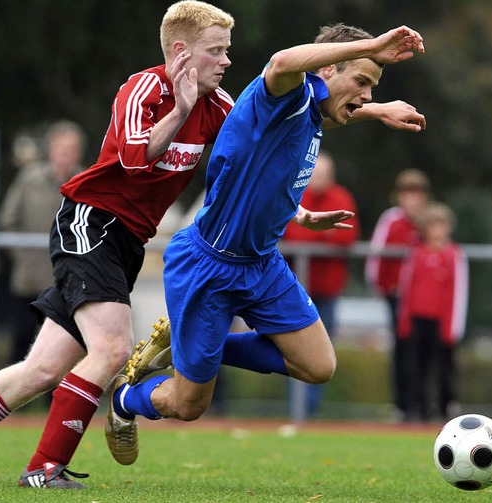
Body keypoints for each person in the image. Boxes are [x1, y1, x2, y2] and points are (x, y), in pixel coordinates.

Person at [0, 0, 234, 488]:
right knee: (113, 350)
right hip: (90, 222)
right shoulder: (144, 88)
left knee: (42, 369)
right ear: (180, 52)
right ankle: (45, 468)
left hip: (127, 241)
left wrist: (297, 207)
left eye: (227, 50)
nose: (225, 61)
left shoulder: (221, 106)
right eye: (215, 50)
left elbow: (243, 168)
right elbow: (136, 160)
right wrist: (180, 109)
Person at [105, 22, 426, 465]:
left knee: (318, 367)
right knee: (188, 405)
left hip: (261, 264)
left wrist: (304, 213)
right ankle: (127, 401)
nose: (367, 94)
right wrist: (374, 45)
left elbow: (280, 160)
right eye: (363, 82)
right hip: (208, 263)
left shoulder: (308, 111)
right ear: (328, 69)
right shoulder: (280, 92)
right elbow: (280, 63)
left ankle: (182, 348)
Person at [0, 121, 86, 365]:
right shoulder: (29, 179)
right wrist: (23, 255)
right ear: (51, 150)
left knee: (62, 346)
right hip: (28, 278)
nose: (64, 155)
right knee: (22, 338)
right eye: (60, 149)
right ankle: (15, 401)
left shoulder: (87, 181)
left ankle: (53, 401)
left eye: (70, 150)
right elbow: (8, 220)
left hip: (68, 280)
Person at [282, 150, 359, 416]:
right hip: (296, 290)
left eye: (325, 173)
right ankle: (296, 410)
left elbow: (347, 237)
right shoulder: (297, 194)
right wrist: (322, 233)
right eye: (316, 172)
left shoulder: (341, 197)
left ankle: (308, 412)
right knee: (293, 351)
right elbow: (291, 234)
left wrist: (312, 232)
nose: (320, 177)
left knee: (323, 354)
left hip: (327, 291)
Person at [365, 168, 431, 421]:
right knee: (403, 350)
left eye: (417, 193)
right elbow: (376, 256)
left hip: (425, 300)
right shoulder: (391, 220)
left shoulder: (430, 221)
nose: (412, 200)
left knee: (427, 351)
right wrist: (383, 288)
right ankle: (403, 406)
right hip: (398, 298)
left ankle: (424, 405)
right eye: (407, 193)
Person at [396, 202, 468, 422]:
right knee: (416, 366)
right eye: (432, 226)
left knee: (445, 368)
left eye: (441, 225)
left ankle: (447, 407)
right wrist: (405, 319)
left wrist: (452, 327)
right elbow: (406, 287)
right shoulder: (416, 254)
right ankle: (419, 409)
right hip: (418, 318)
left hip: (442, 321)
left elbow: (458, 292)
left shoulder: (454, 255)